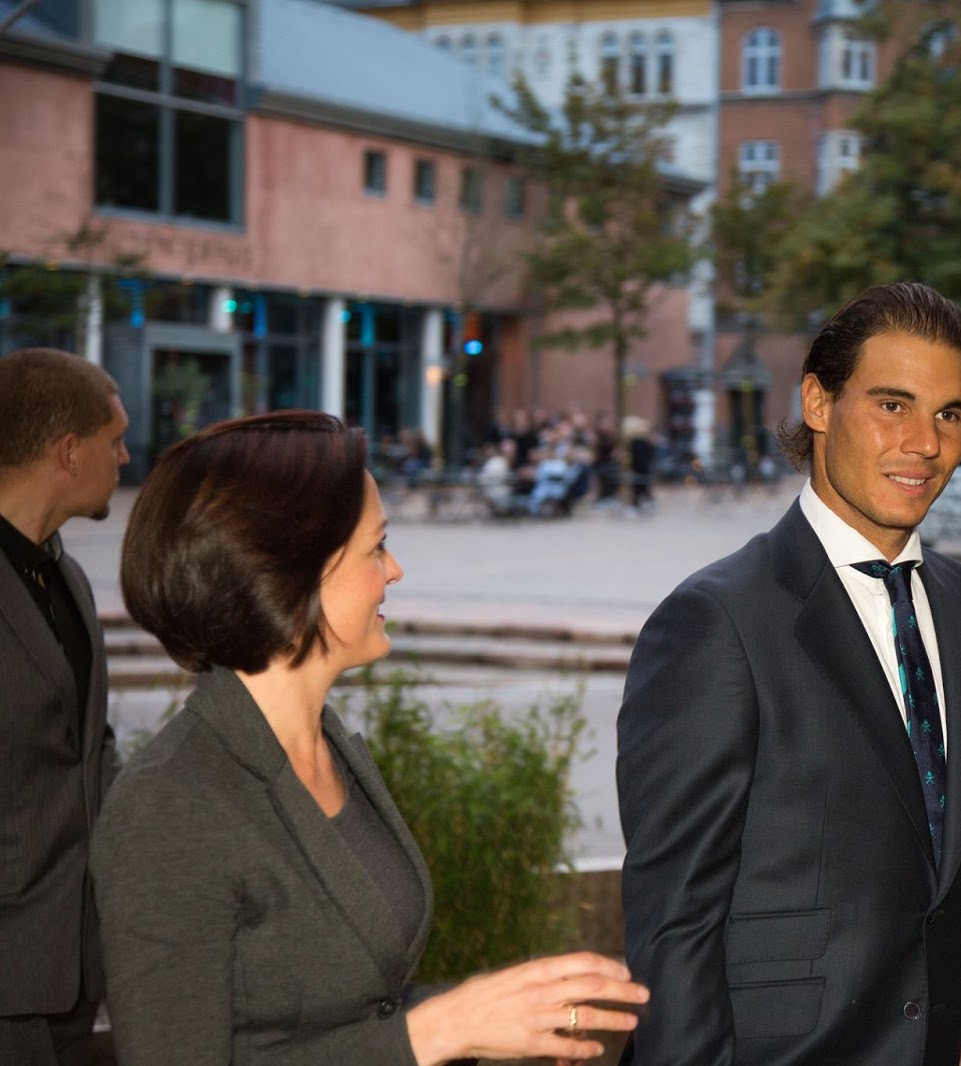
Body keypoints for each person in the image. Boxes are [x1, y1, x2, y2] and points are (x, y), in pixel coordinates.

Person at [615, 282, 961, 1066]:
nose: (925, 443)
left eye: (950, 414)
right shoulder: (716, 622)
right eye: (893, 405)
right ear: (818, 403)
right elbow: (674, 922)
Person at [90, 411, 648, 1065]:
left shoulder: (329, 746)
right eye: (376, 547)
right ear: (289, 571)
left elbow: (357, 1009)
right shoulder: (169, 806)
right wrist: (434, 1032)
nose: (396, 570)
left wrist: (502, 1013)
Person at [0, 348, 129, 1066]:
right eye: (116, 440)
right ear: (68, 452)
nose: (126, 457)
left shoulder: (67, 576)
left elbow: (90, 746)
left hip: (75, 969)